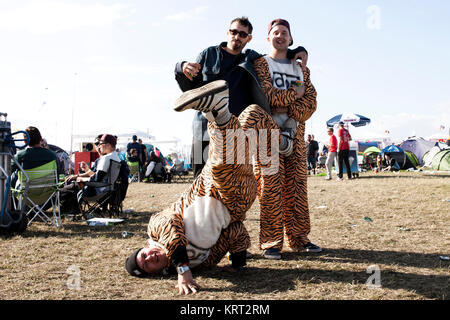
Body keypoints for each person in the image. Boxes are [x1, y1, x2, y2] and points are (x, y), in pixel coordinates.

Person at [126, 80, 285, 294]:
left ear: (146, 246)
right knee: (229, 156)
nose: (149, 257)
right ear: (156, 272)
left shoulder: (156, 229)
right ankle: (222, 116)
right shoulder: (203, 263)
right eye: (147, 264)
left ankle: (221, 114)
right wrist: (238, 262)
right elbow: (234, 232)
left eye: (143, 254)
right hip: (237, 201)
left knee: (247, 123)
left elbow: (170, 226)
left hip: (209, 185)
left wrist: (183, 270)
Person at [174, 17, 308, 180]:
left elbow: (277, 53)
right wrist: (180, 67)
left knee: (230, 181)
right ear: (228, 32)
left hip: (234, 129)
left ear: (249, 38)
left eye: (242, 34)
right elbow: (190, 90)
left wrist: (298, 51)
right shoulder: (208, 54)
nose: (237, 36)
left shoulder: (251, 59)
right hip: (203, 126)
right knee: (200, 179)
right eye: (234, 32)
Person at [251, 18, 321, 260]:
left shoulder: (301, 68)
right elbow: (266, 97)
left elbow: (310, 102)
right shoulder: (261, 64)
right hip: (267, 135)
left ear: (291, 39)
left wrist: (290, 110)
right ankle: (271, 242)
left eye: (284, 33)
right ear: (268, 37)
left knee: (297, 188)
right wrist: (295, 93)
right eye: (276, 32)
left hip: (296, 134)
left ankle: (300, 239)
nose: (280, 36)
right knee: (269, 188)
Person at [78, 134, 121, 199]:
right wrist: (87, 169)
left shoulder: (106, 158)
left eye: (100, 144)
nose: (99, 146)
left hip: (98, 192)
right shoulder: (116, 157)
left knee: (71, 188)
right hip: (109, 191)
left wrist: (82, 179)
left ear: (108, 145)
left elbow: (96, 180)